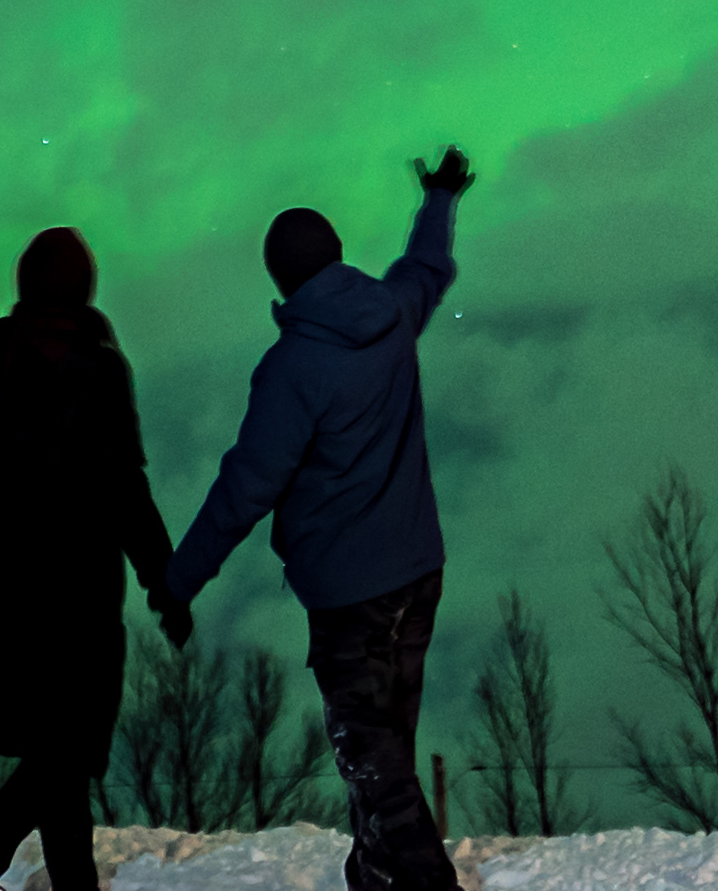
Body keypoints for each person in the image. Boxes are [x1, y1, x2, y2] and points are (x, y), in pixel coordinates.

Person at [163, 146, 474, 891]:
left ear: (278, 278)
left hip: (348, 597)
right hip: (418, 574)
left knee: (376, 766)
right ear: (336, 256)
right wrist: (439, 198)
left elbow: (247, 484)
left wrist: (179, 579)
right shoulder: (390, 315)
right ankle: (371, 878)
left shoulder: (295, 365)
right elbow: (424, 268)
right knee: (388, 746)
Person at [0, 174, 190, 891]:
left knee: (59, 753)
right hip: (80, 591)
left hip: (6, 588)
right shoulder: (103, 368)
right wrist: (165, 583)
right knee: (65, 749)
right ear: (86, 287)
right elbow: (127, 487)